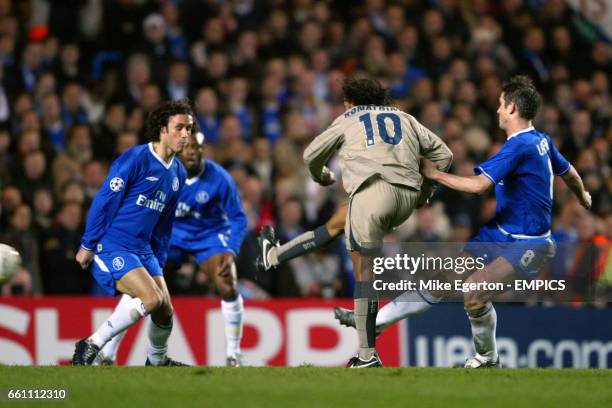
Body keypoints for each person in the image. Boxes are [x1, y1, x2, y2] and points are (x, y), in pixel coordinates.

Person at [335, 76, 592, 368]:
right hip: (498, 234)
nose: (496, 110)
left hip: (532, 243)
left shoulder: (520, 146)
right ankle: (375, 322)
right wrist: (583, 194)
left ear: (511, 108)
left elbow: (479, 187)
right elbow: (569, 172)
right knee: (441, 281)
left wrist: (435, 174)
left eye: (499, 104)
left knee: (474, 290)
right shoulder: (542, 140)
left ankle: (487, 356)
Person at [266, 77, 453, 368]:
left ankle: (366, 354)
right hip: (405, 199)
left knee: (363, 272)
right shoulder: (405, 117)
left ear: (351, 101)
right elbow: (445, 155)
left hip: (373, 195)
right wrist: (424, 193)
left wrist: (323, 176)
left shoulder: (349, 117)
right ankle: (275, 255)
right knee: (338, 222)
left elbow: (311, 154)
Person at [94, 125, 248, 367]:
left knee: (227, 281)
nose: (193, 152)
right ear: (179, 148)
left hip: (207, 237)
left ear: (203, 149)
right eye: (187, 147)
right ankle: (108, 353)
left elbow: (238, 218)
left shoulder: (220, 178)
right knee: (141, 286)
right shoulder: (165, 175)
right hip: (170, 237)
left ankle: (233, 355)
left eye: (198, 147)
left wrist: (231, 250)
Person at [72, 100, 193, 366]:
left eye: (189, 129)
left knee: (165, 312)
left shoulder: (178, 173)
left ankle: (156, 361)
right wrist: (87, 244)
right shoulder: (136, 158)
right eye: (180, 128)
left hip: (143, 249)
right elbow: (105, 201)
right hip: (114, 244)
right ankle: (91, 344)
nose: (186, 135)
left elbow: (164, 223)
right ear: (163, 128)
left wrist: (158, 261)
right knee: (151, 298)